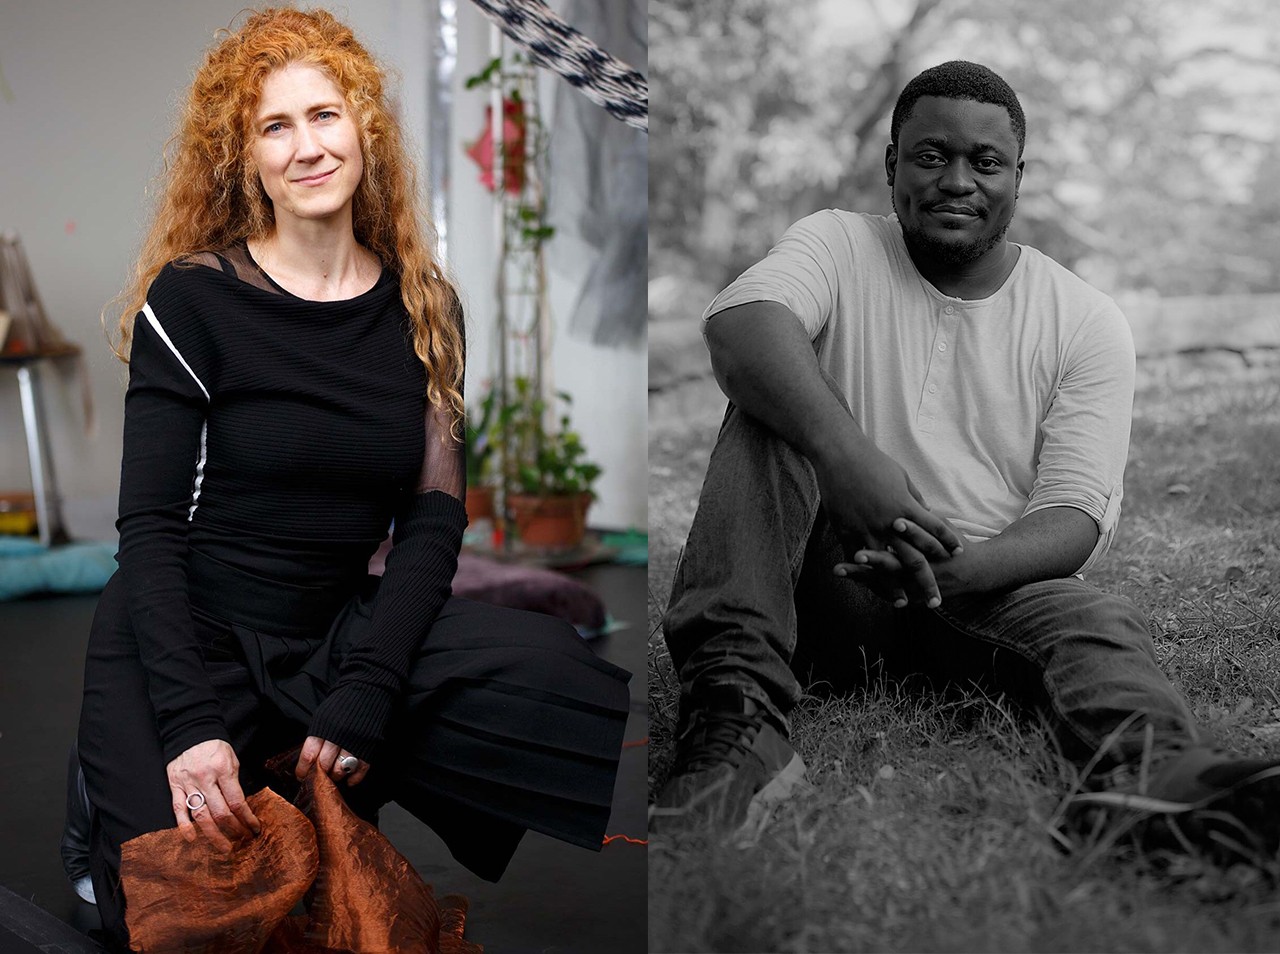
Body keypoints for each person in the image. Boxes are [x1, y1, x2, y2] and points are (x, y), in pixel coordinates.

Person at [77, 8, 630, 949]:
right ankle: (103, 824)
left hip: (328, 632)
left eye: (324, 115)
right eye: (274, 127)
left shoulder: (428, 308)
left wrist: (368, 685)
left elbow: (432, 515)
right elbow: (151, 530)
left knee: (548, 670)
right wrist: (189, 725)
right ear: (242, 158)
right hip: (186, 634)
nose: (307, 148)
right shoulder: (194, 298)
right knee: (181, 917)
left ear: (363, 127)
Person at [651, 60, 1279, 843]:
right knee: (771, 405)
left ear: (1019, 176)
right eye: (930, 156)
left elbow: (1077, 513)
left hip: (981, 593)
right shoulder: (837, 243)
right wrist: (848, 461)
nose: (957, 180)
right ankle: (736, 726)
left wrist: (961, 570)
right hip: (821, 581)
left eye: (985, 162)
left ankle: (1154, 787)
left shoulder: (1085, 320)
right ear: (891, 165)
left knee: (1090, 615)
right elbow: (741, 324)